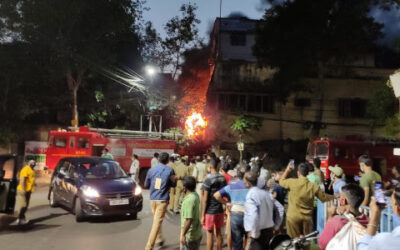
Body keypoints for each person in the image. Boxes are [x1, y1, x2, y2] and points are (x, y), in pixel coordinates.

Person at [280, 162, 335, 238]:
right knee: (306, 240)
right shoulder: (313, 186)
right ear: (308, 173)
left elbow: (281, 181)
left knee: (293, 240)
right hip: (306, 219)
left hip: (293, 217)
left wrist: (287, 170)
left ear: (298, 173)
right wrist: (335, 196)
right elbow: (324, 197)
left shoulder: (292, 182)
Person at [318, 183, 369, 249]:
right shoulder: (368, 220)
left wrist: (330, 217)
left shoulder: (337, 221)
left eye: (340, 198)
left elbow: (323, 244)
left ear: (343, 201)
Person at [144, 152, 177, 250]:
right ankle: (148, 247)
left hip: (153, 199)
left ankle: (159, 239)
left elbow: (146, 184)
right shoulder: (170, 170)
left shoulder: (151, 170)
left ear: (158, 159)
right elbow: (173, 185)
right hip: (162, 200)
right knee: (156, 223)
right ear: (167, 160)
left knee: (156, 221)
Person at [214, 166, 249, 250]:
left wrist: (227, 203)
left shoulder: (232, 186)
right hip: (248, 215)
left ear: (237, 175)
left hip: (235, 215)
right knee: (248, 241)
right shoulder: (250, 185)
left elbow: (216, 195)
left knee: (237, 243)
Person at [357, 183, 400, 250]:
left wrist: (374, 216)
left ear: (398, 209)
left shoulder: (384, 241)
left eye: (392, 204)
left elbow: (362, 247)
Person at [243, 171, 275, 250]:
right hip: (269, 231)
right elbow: (279, 209)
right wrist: (276, 226)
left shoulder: (251, 195)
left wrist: (254, 233)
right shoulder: (266, 194)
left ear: (248, 183)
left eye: (244, 181)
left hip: (258, 233)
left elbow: (253, 216)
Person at [201, 158, 227, 250]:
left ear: (210, 166)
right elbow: (224, 194)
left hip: (210, 211)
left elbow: (205, 199)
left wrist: (202, 215)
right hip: (219, 210)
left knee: (209, 234)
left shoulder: (208, 179)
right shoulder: (222, 178)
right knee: (219, 233)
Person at [180, 176, 202, 250]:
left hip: (190, 235)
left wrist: (183, 235)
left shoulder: (189, 200)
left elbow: (188, 220)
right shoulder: (195, 195)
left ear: (185, 187)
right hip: (196, 232)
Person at [16, 160, 36, 225]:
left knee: (26, 205)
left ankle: (21, 218)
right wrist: (23, 189)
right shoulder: (26, 169)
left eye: (34, 163)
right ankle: (20, 219)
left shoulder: (32, 170)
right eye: (32, 163)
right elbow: (22, 180)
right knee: (23, 205)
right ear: (28, 163)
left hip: (28, 190)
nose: (33, 164)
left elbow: (31, 179)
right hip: (23, 190)